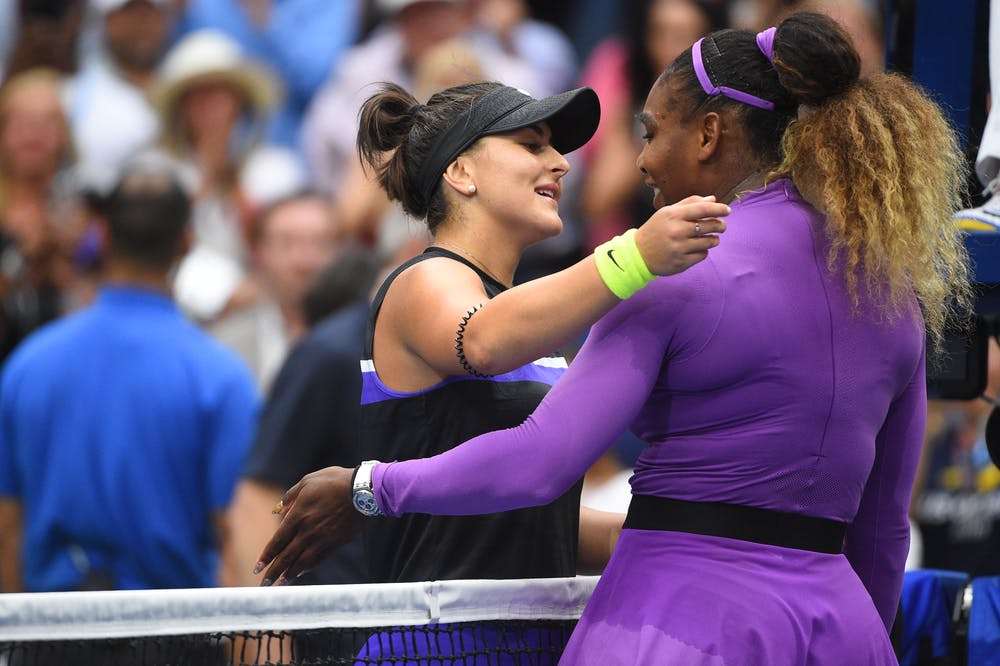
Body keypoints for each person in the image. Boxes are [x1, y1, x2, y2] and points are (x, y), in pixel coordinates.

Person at [256, 12, 973, 664]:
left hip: (672, 628)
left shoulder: (661, 273)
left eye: (650, 131)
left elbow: (537, 468)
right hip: (838, 630)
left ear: (710, 133)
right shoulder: (893, 291)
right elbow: (882, 534)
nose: (625, 162)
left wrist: (369, 488)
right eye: (531, 143)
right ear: (460, 172)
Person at [0, 150, 259, 593]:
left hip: (49, 639)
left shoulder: (28, 365)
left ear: (101, 237)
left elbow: (8, 526)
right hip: (174, 641)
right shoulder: (221, 378)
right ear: (187, 242)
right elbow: (235, 537)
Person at [209, 190, 342, 395]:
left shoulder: (371, 341)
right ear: (261, 252)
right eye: (287, 244)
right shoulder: (228, 344)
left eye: (319, 243)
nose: (304, 261)